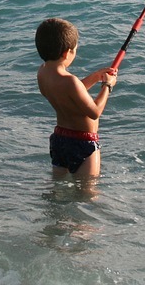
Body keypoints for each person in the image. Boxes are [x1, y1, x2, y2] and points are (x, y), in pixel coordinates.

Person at [36, 17, 118, 179]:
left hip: (60, 139)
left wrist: (95, 77)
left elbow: (70, 93)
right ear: (67, 52)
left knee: (57, 190)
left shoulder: (43, 73)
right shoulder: (70, 81)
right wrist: (107, 86)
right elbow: (94, 112)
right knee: (87, 193)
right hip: (83, 142)